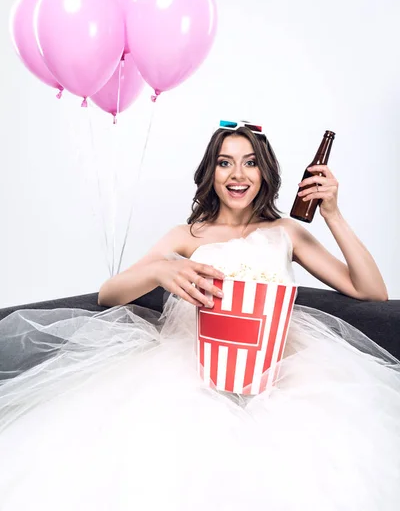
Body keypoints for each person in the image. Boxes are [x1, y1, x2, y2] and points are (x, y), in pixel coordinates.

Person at [0, 122, 399, 511]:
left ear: (265, 172)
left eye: (250, 162)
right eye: (225, 162)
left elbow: (371, 292)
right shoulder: (187, 235)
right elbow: (109, 294)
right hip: (192, 365)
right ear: (211, 172)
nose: (237, 174)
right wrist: (159, 271)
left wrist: (333, 214)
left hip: (277, 367)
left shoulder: (287, 232)